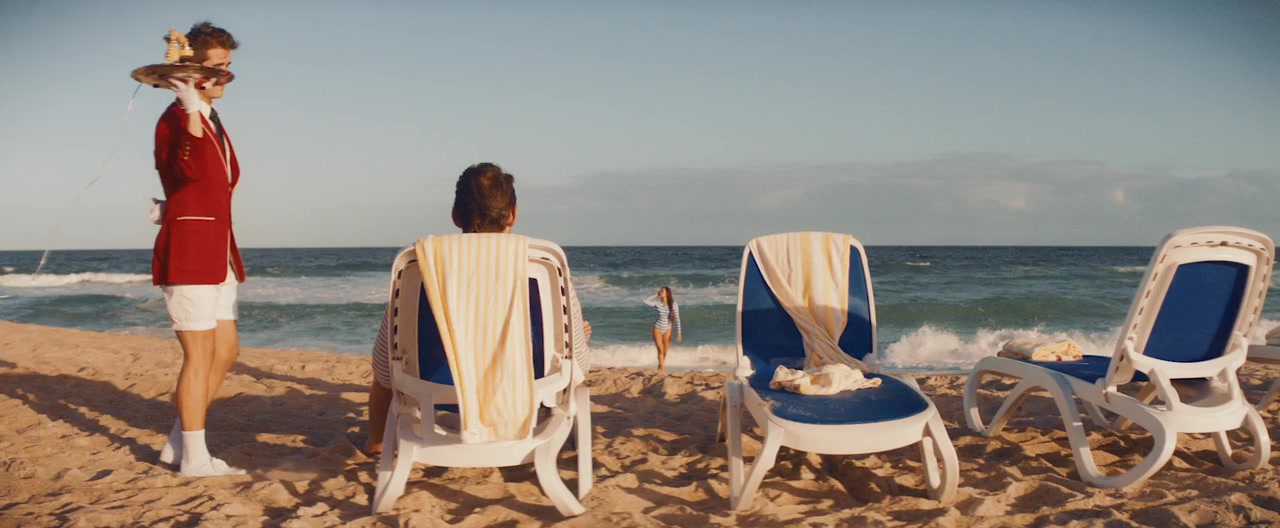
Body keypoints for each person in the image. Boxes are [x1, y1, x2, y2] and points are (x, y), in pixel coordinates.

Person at [361, 163, 591, 457]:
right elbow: (579, 366)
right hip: (527, 389)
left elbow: (385, 367)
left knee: (385, 374)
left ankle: (376, 442)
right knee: (575, 343)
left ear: (456, 216)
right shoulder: (543, 267)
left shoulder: (420, 265)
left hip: (432, 388)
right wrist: (579, 336)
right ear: (513, 214)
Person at [151, 22, 247, 477]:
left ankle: (177, 441)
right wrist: (189, 108)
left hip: (219, 251)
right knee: (199, 353)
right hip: (190, 251)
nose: (226, 76)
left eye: (229, 67)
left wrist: (198, 110)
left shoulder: (210, 118)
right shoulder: (176, 118)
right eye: (218, 68)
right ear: (194, 73)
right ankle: (194, 457)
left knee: (225, 350)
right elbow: (186, 169)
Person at [643, 287, 681, 371]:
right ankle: (663, 369)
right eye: (660, 290)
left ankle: (660, 366)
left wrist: (679, 332)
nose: (660, 292)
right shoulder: (658, 304)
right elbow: (645, 301)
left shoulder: (674, 305)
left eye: (662, 291)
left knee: (665, 351)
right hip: (657, 328)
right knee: (660, 349)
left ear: (667, 293)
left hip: (668, 329)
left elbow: (677, 318)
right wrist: (656, 295)